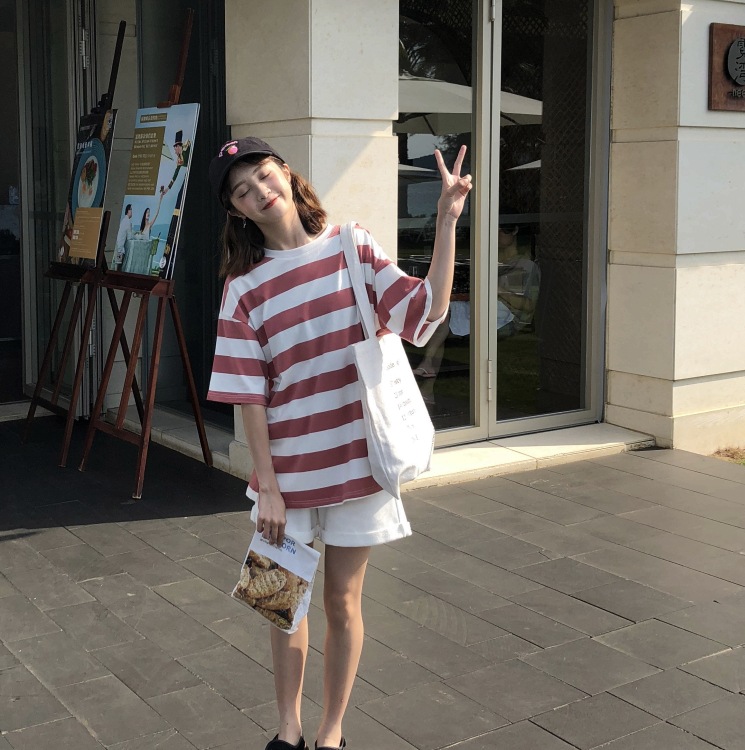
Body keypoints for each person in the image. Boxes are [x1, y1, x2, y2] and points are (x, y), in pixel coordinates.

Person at [206, 136, 471, 750]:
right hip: (287, 478)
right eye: (242, 191)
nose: (259, 192)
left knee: (342, 602)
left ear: (285, 173)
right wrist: (268, 488)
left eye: (263, 175)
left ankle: (331, 732)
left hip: (358, 464)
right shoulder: (243, 288)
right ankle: (288, 729)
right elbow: (250, 397)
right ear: (236, 210)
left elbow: (424, 312)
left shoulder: (352, 245)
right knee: (281, 602)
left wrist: (447, 221)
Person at [412, 214, 540, 396]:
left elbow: (528, 306)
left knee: (442, 317)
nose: (496, 235)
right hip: (480, 305)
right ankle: (428, 379)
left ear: (515, 231)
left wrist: (498, 291)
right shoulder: (493, 259)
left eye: (501, 231)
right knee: (441, 314)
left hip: (502, 315)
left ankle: (427, 375)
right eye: (494, 230)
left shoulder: (525, 265)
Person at [114, 203, 132, 268]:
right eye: (131, 210)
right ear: (128, 211)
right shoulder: (128, 222)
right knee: (119, 267)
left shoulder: (123, 220)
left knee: (116, 266)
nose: (132, 212)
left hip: (118, 247)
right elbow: (129, 237)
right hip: (120, 250)